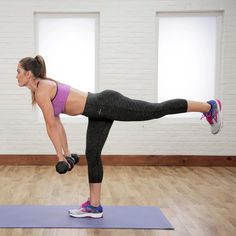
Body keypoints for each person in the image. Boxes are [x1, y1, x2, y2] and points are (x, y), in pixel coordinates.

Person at [17, 55, 222, 218]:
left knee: (155, 110)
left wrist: (60, 158)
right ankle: (94, 206)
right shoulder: (42, 88)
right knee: (93, 154)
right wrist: (67, 153)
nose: (16, 75)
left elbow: (51, 125)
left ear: (28, 74)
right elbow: (57, 123)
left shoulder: (42, 90)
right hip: (96, 112)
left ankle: (208, 106)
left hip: (106, 104)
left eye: (18, 72)